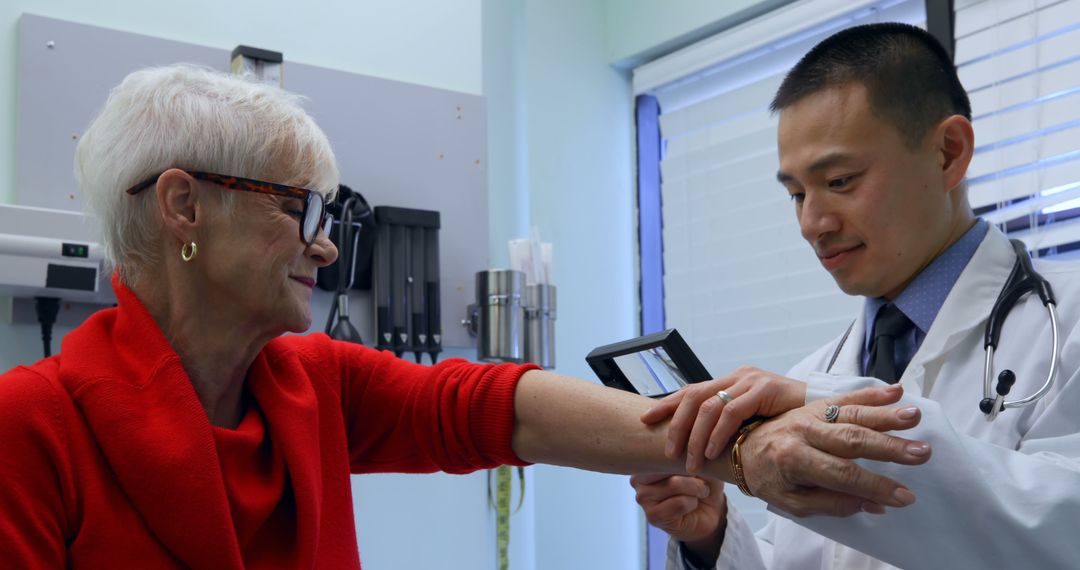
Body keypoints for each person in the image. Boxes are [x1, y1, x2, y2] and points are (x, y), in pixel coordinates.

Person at [0, 64, 929, 569]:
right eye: (300, 210)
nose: (326, 248)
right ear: (184, 207)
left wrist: (739, 447)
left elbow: (497, 407)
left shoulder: (309, 384)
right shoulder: (32, 427)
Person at [631, 22, 1080, 569]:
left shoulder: (1068, 323)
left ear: (947, 153)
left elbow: (1063, 527)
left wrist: (822, 404)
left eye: (839, 181)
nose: (811, 224)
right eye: (796, 194)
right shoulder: (818, 370)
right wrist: (712, 536)